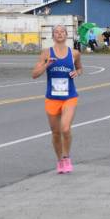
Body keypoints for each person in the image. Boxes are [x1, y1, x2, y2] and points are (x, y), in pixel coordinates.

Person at [32, 25, 83, 174]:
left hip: (69, 96)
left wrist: (76, 72)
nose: (59, 34)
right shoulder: (46, 53)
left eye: (62, 32)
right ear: (53, 36)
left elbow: (80, 68)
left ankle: (67, 157)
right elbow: (34, 74)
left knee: (65, 128)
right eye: (56, 32)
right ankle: (60, 160)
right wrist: (46, 65)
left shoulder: (74, 53)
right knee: (55, 132)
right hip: (52, 98)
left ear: (66, 35)